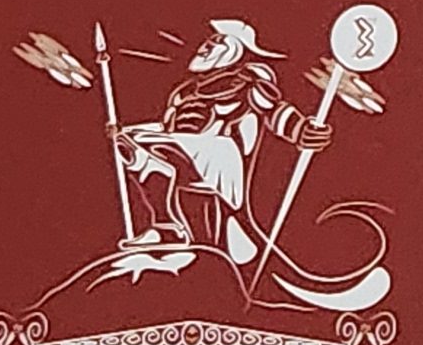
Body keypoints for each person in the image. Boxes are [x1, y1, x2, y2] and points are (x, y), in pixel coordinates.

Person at [111, 19, 329, 277]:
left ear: (234, 50)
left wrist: (302, 130)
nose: (205, 46)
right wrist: (126, 132)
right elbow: (166, 128)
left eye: (216, 41)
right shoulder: (185, 92)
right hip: (183, 151)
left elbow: (275, 112)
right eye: (208, 40)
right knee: (132, 146)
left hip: (221, 155)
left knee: (153, 145)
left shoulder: (247, 83)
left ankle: (178, 229)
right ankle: (165, 228)